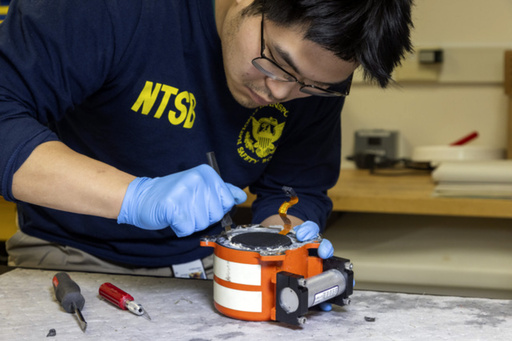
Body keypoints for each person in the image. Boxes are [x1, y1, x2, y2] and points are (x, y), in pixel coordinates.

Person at [0, 0, 413, 280]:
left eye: (314, 86)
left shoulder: (313, 79)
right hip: (69, 257)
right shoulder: (108, 9)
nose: (282, 93)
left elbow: (296, 185)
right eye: (278, 65)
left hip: (212, 265)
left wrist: (281, 241)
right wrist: (134, 196)